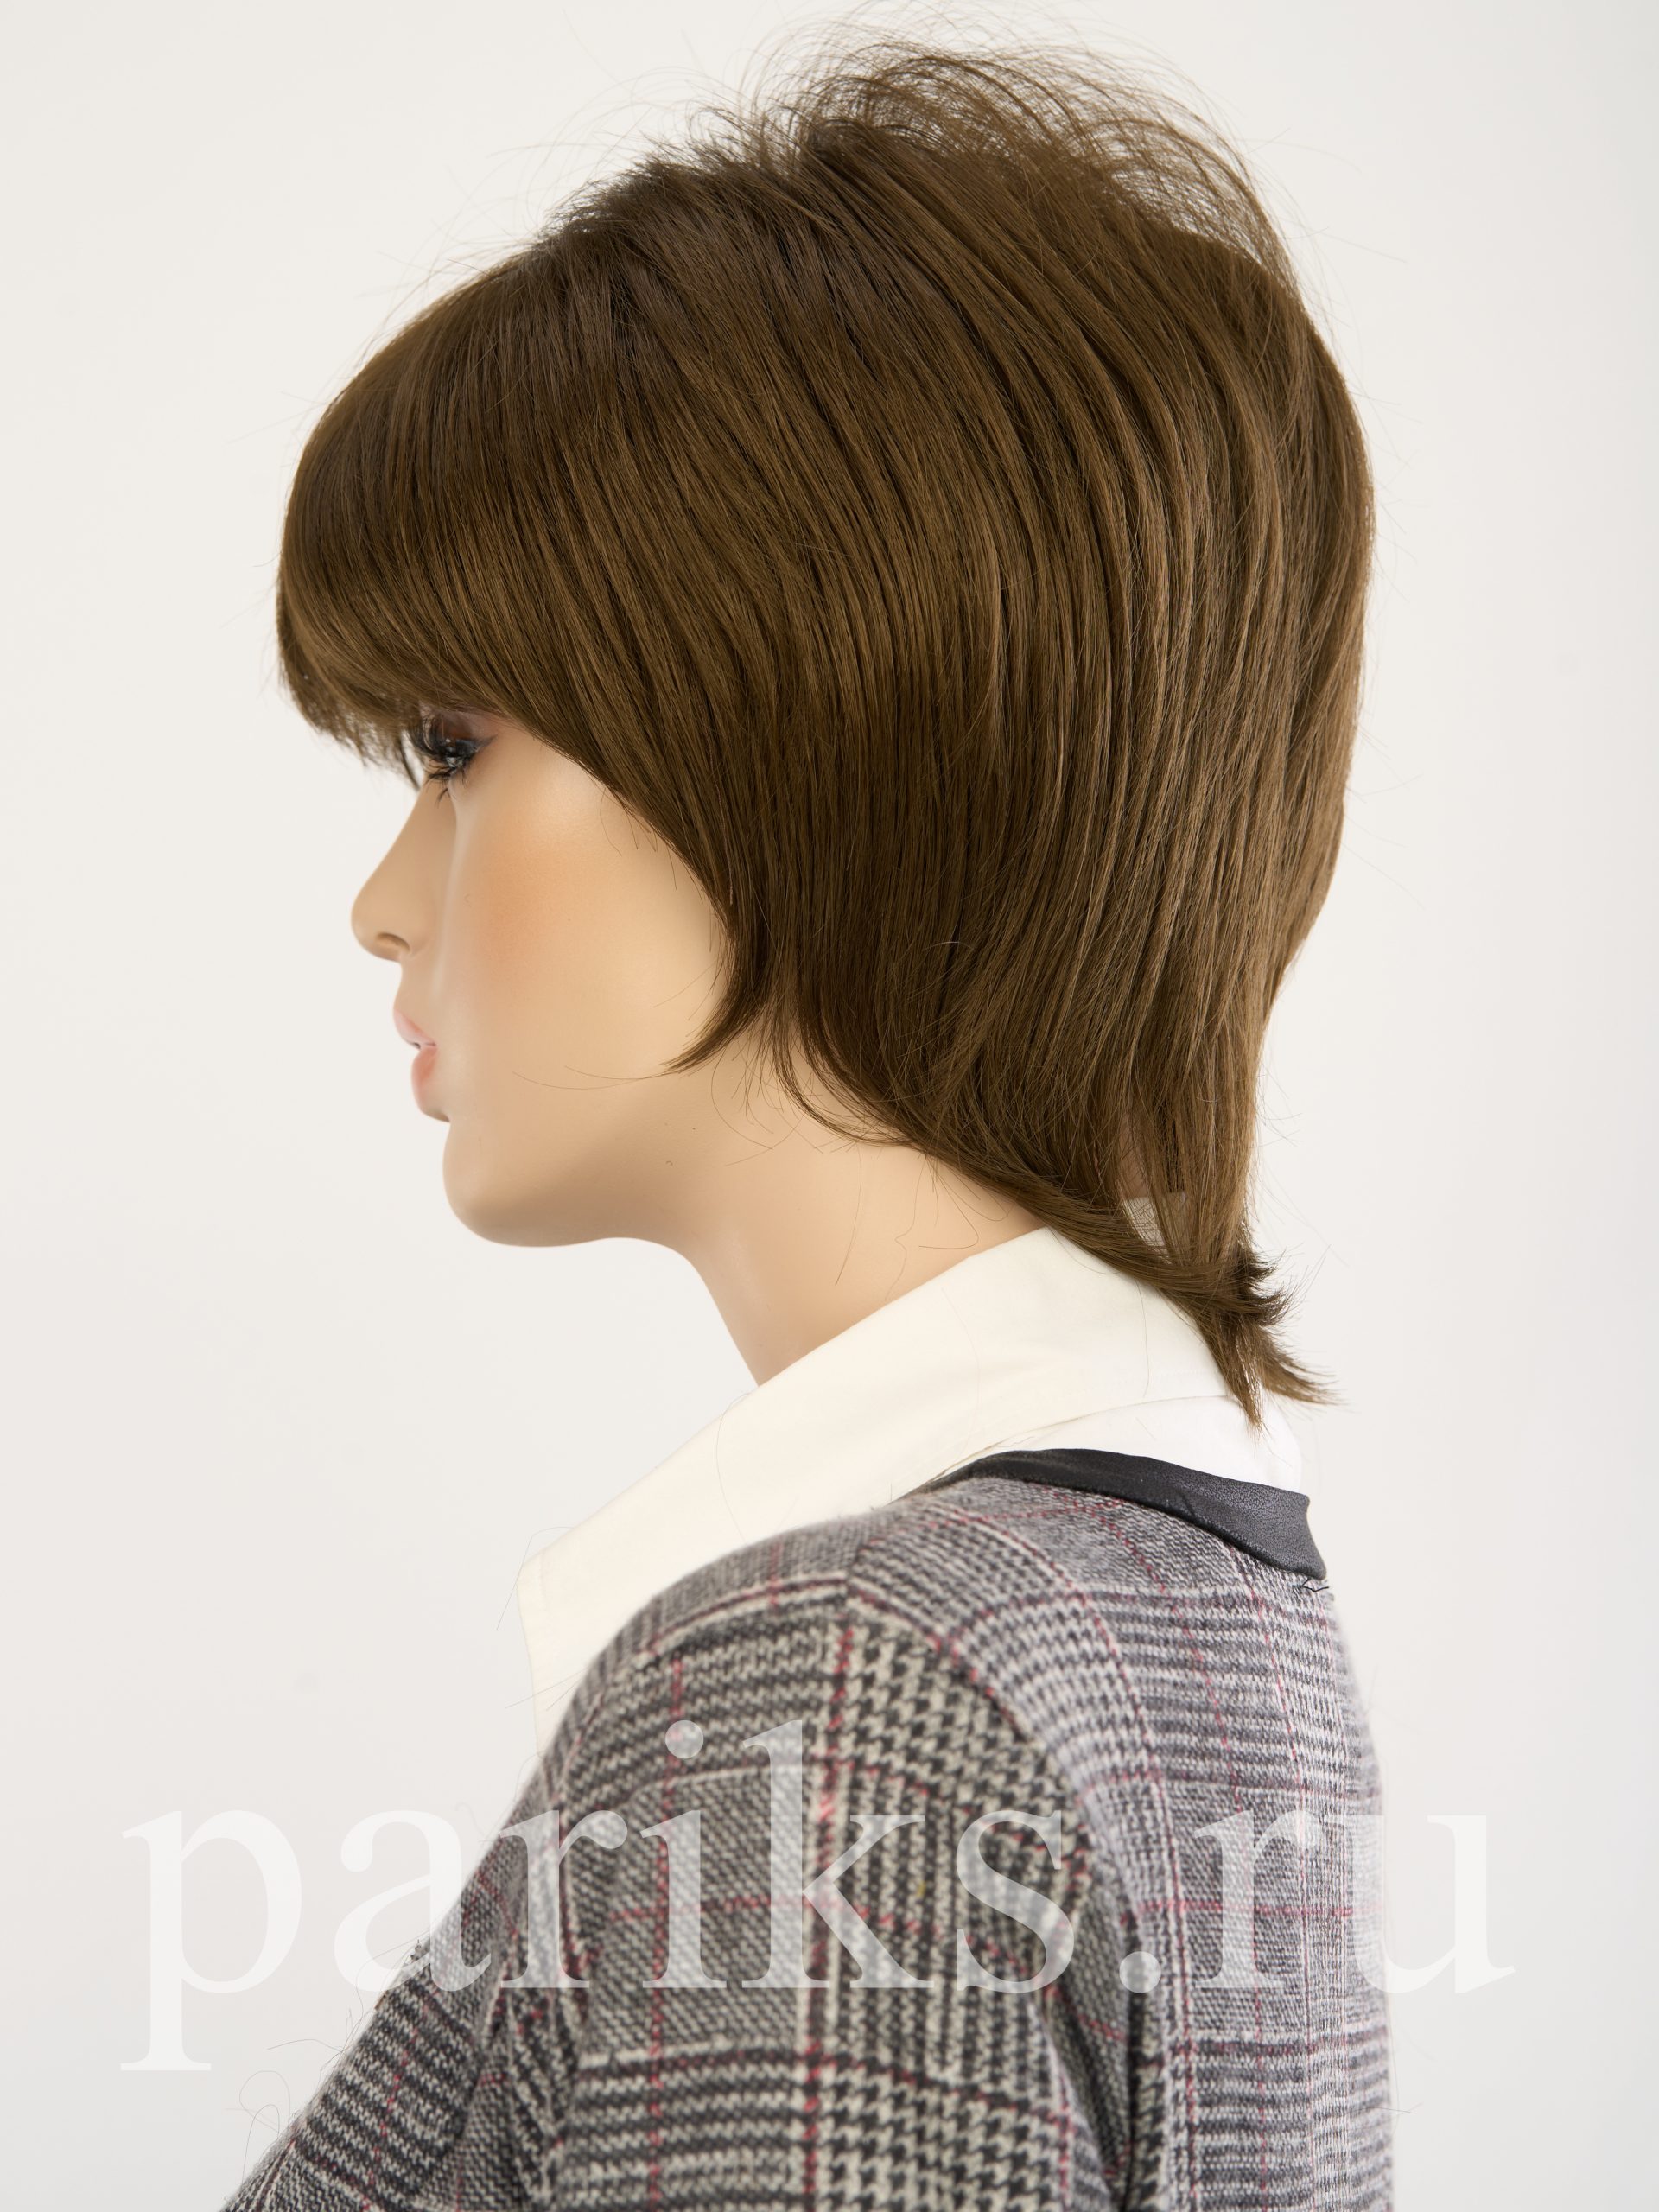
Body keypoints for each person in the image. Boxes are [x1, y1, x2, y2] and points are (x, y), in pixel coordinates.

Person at [223, 31, 1389, 2208]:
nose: (384, 898)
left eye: (458, 747)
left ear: (808, 747)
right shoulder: (1176, 1589)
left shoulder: (845, 1690)